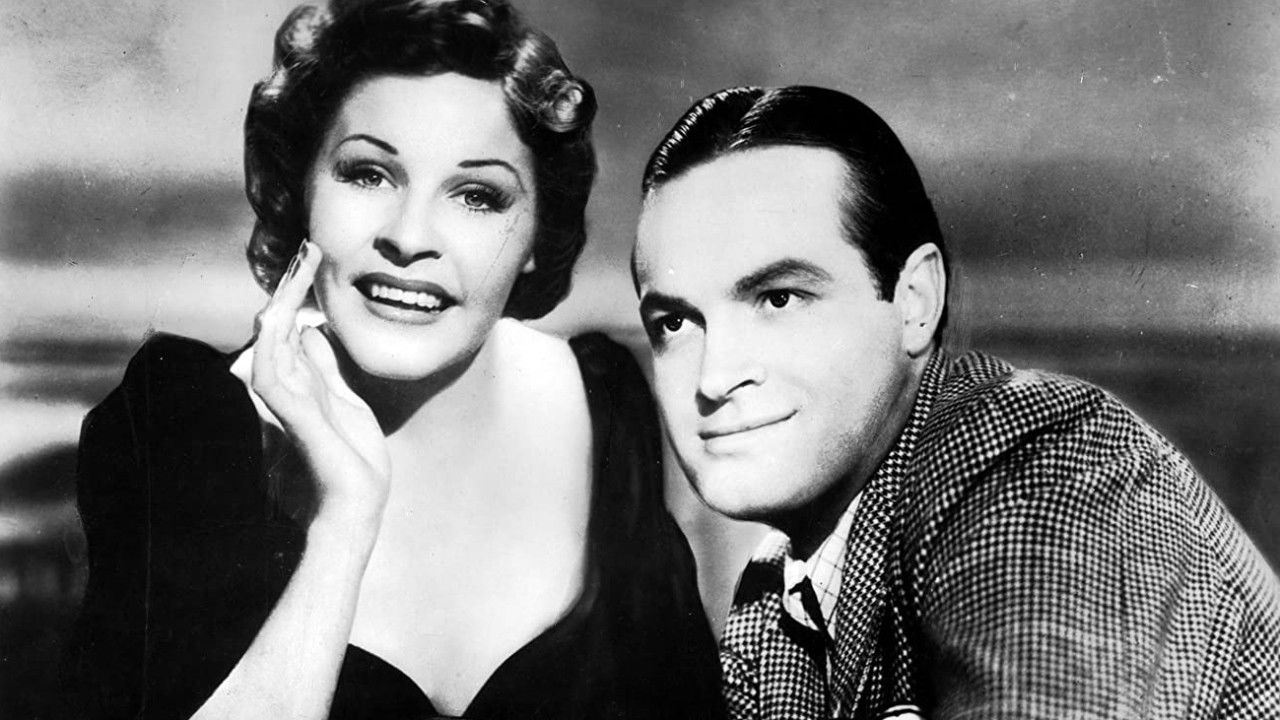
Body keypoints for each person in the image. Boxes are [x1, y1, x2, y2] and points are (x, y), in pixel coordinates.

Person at [61, 2, 723, 718]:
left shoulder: (605, 405)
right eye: (369, 174)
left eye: (478, 196)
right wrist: (344, 520)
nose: (410, 238)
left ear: (537, 234)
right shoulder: (183, 428)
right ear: (302, 193)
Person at [631, 85, 1280, 719]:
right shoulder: (771, 605)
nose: (714, 377)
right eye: (675, 324)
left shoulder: (1044, 465)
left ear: (915, 301)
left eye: (779, 298)